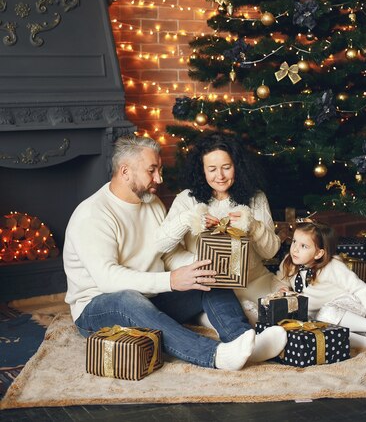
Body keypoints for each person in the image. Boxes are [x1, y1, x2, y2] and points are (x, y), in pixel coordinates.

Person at [63, 134, 287, 371]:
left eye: (159, 169)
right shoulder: (93, 215)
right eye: (151, 171)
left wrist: (194, 269)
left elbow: (166, 251)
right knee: (126, 298)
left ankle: (244, 341)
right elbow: (108, 280)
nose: (159, 179)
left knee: (208, 275)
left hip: (152, 297)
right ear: (125, 171)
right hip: (99, 306)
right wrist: (171, 280)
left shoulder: (153, 203)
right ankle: (214, 355)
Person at [153, 131, 281, 325]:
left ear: (237, 167)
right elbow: (161, 245)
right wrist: (190, 219)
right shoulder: (187, 199)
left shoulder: (256, 198)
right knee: (244, 320)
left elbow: (270, 251)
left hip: (254, 282)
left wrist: (253, 226)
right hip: (208, 288)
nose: (220, 176)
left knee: (282, 315)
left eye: (226, 167)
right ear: (202, 170)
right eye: (212, 169)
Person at [275, 220, 366, 351]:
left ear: (319, 253)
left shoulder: (332, 267)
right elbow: (282, 279)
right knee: (324, 333)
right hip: (322, 317)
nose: (295, 249)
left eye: (304, 246)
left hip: (347, 308)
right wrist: (284, 288)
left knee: (324, 314)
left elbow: (360, 288)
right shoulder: (289, 263)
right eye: (294, 242)